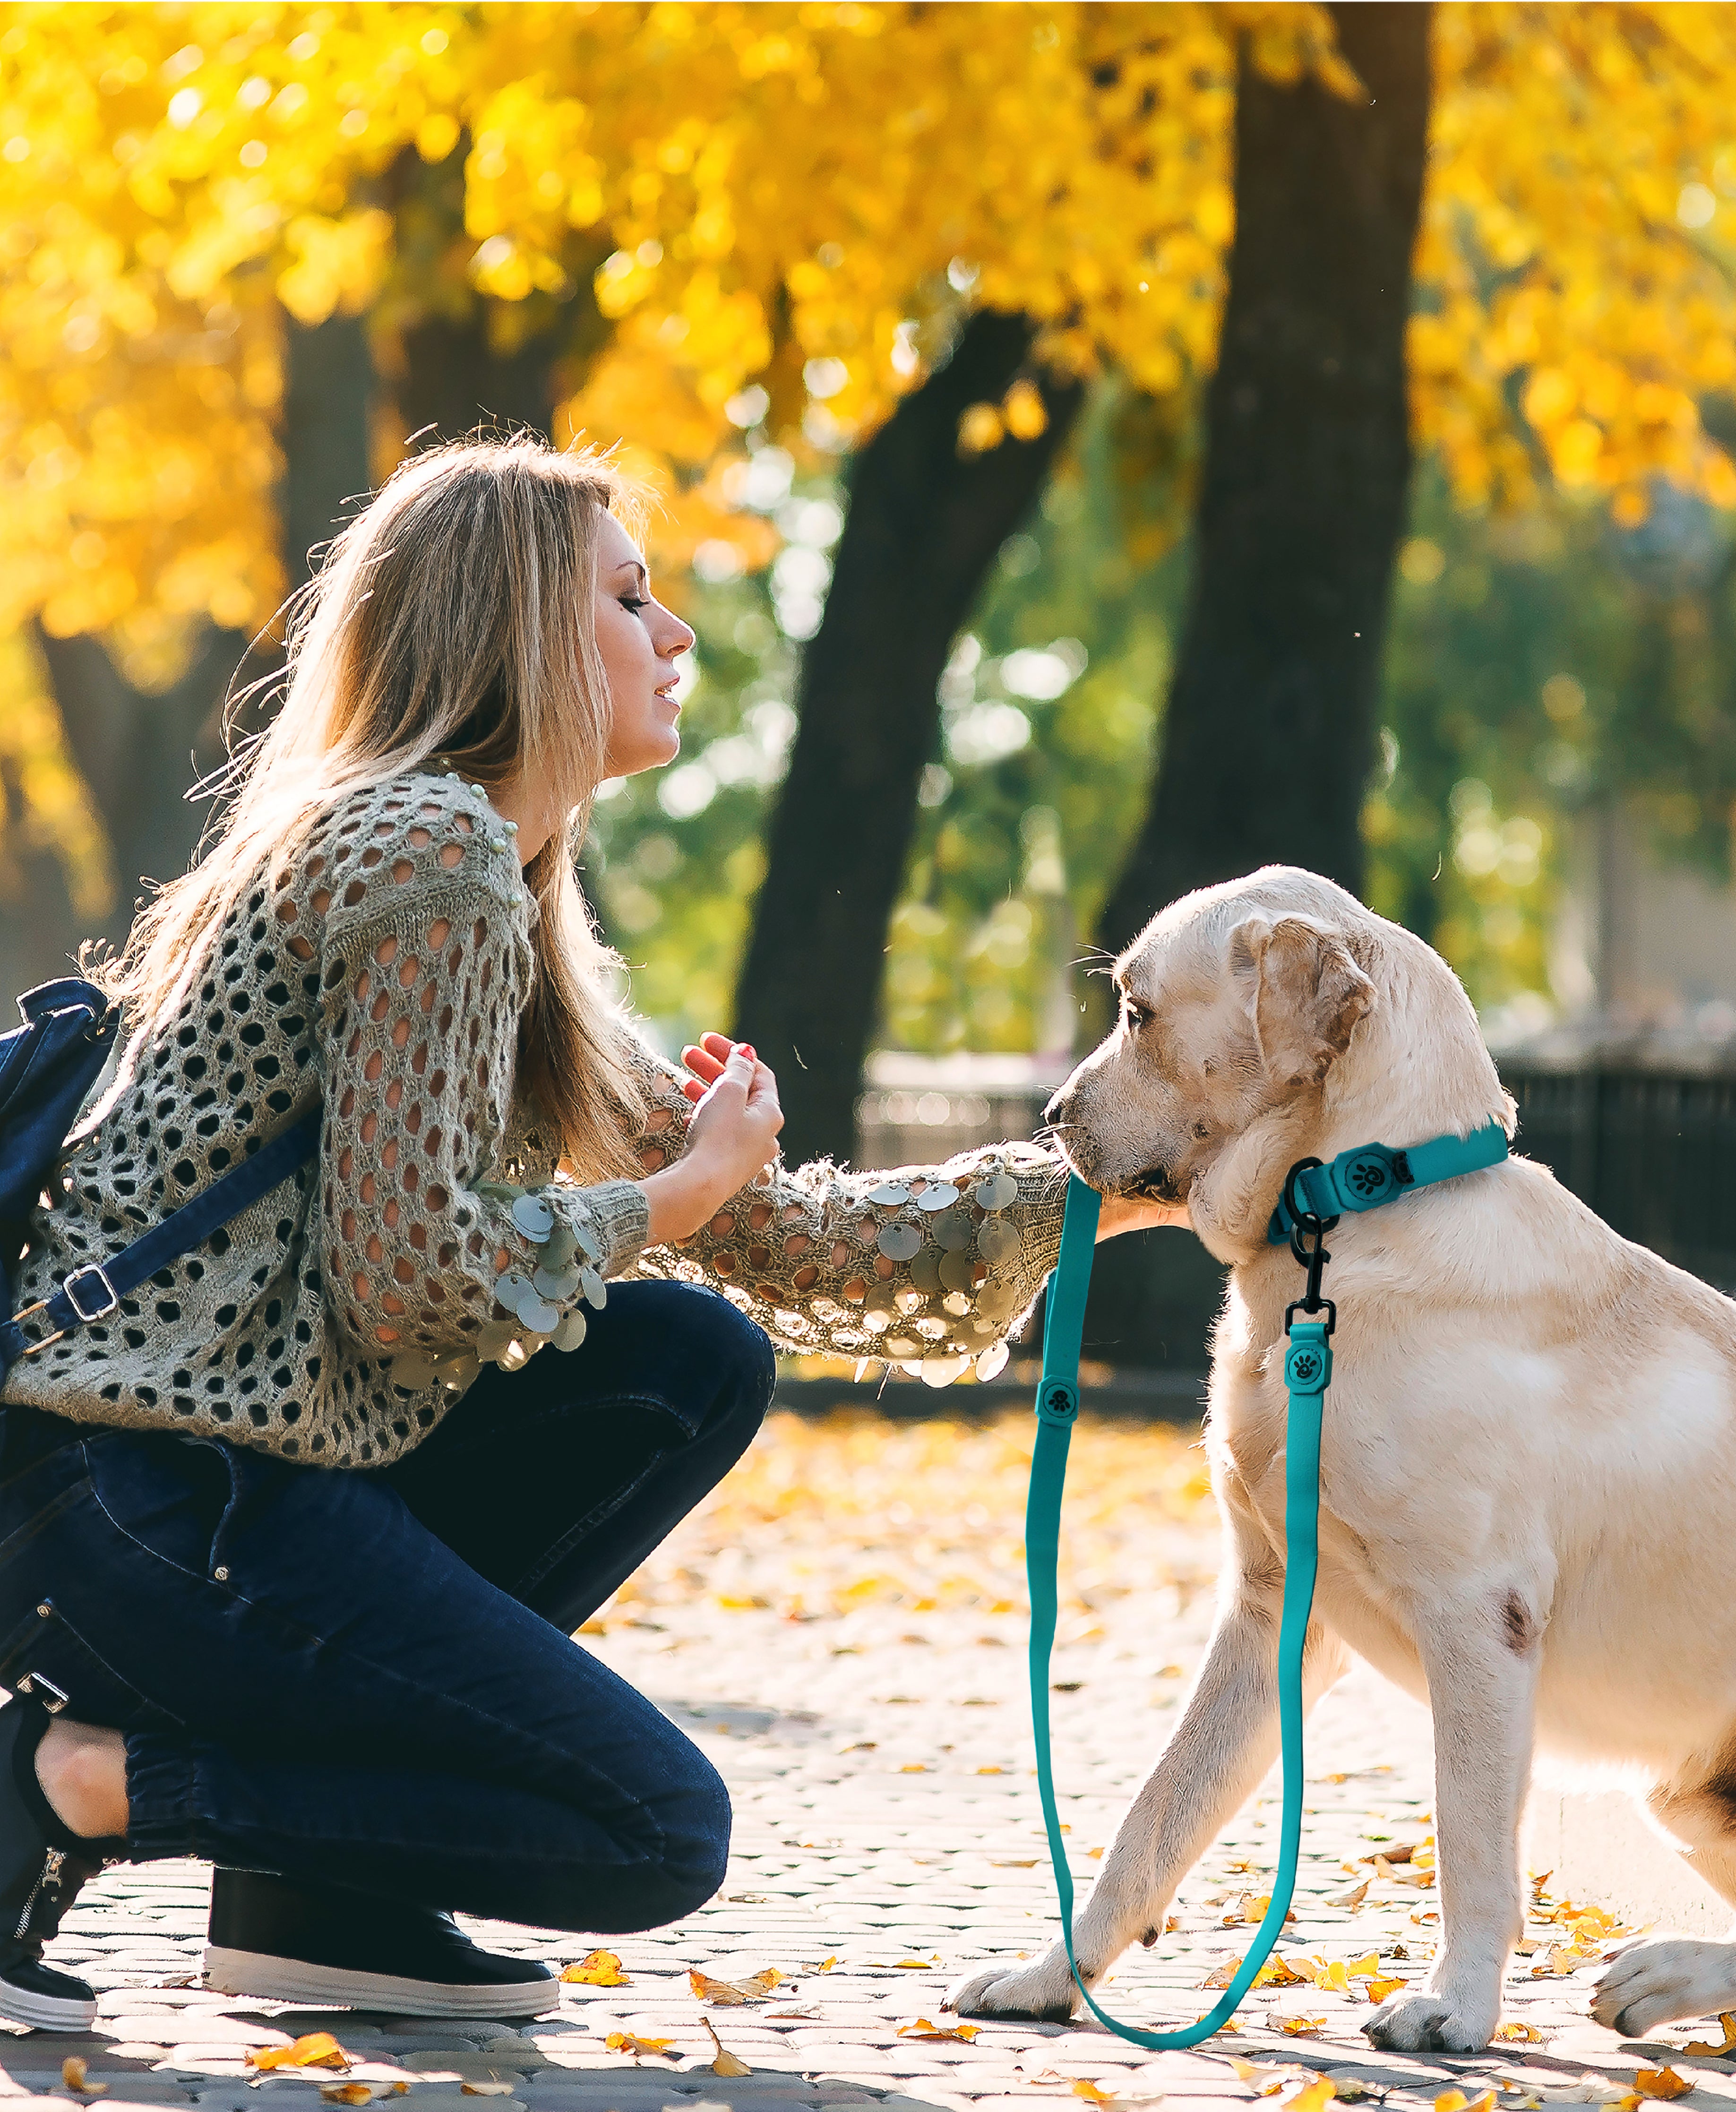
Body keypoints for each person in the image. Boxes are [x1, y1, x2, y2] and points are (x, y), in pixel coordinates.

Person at [0, 436, 1159, 2030]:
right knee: (650, 1829)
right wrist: (673, 1195)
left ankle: (313, 1901)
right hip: (134, 1497)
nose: (675, 633)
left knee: (685, 1357)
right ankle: (66, 1782)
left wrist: (1122, 1188)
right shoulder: (425, 853)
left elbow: (788, 1244)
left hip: (202, 1485)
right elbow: (411, 1279)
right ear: (513, 632)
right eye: (627, 597)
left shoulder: (499, 889)